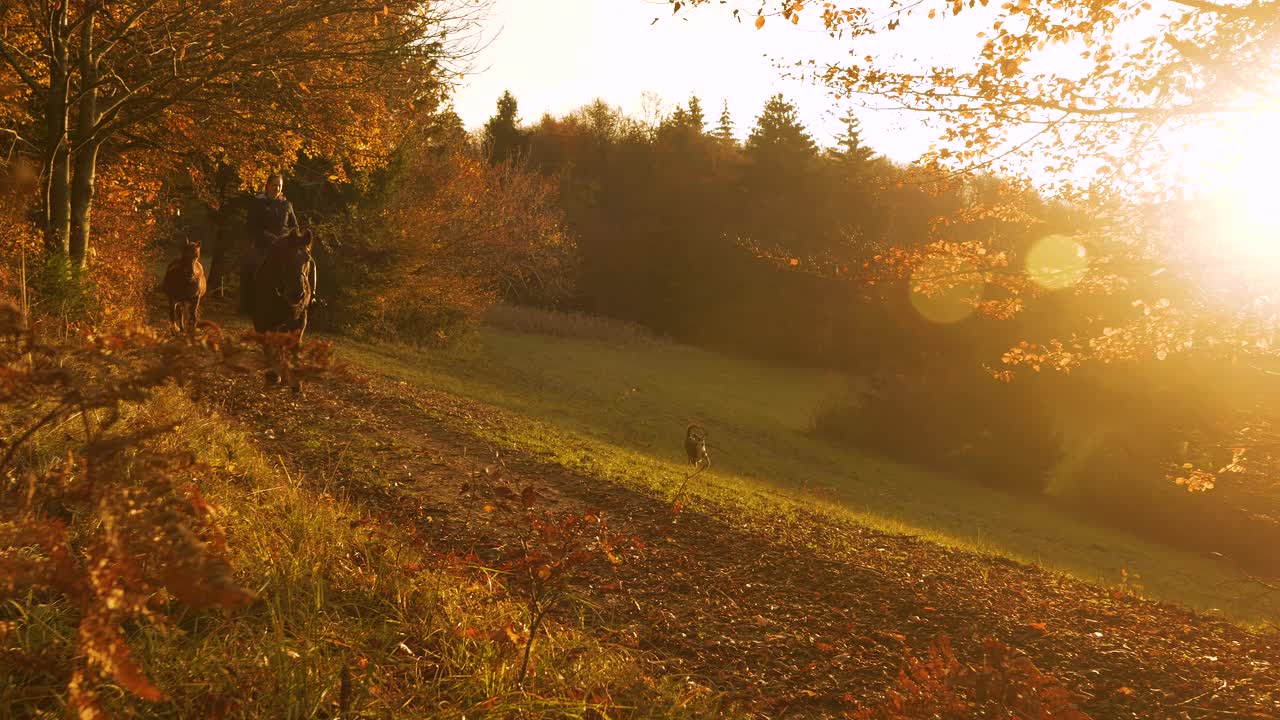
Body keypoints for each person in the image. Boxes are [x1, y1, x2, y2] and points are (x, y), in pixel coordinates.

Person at [239, 173, 299, 314]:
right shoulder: (257, 203)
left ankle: (309, 298)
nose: (277, 188)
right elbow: (251, 226)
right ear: (267, 186)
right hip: (264, 245)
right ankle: (246, 303)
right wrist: (268, 237)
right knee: (249, 264)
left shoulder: (287, 204)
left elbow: (294, 226)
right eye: (274, 185)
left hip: (284, 245)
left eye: (279, 185)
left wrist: (290, 238)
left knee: (305, 263)